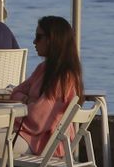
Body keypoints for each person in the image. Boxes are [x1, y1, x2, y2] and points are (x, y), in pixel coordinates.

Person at [7, 15, 83, 157]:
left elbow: (38, 118)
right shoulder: (43, 68)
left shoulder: (62, 77)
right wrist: (29, 100)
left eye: (39, 37)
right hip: (30, 135)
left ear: (52, 39)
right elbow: (15, 92)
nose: (34, 42)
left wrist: (24, 103)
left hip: (43, 142)